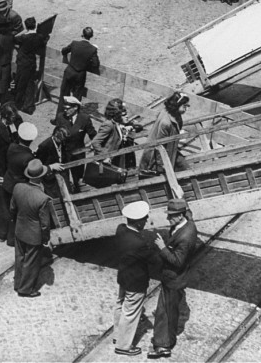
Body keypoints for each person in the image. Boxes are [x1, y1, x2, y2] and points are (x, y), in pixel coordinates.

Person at [147, 199, 199, 359]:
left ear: (181, 215)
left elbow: (177, 261)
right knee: (171, 309)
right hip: (177, 278)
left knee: (165, 313)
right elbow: (189, 212)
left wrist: (162, 247)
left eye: (172, 216)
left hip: (174, 279)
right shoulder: (187, 223)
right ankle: (169, 336)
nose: (168, 219)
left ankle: (163, 346)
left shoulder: (185, 236)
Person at [113, 201, 156, 357]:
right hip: (136, 282)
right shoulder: (139, 243)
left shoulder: (121, 230)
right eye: (144, 219)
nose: (146, 220)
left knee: (120, 304)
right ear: (138, 222)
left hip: (123, 276)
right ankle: (123, 346)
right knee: (131, 312)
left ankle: (117, 336)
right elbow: (154, 260)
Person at [10, 159, 52, 298]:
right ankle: (26, 289)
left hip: (20, 229)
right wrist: (45, 239)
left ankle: (18, 283)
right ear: (41, 176)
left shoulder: (18, 187)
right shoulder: (42, 198)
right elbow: (45, 224)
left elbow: (12, 209)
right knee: (31, 262)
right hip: (34, 235)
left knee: (20, 257)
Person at [139, 92, 189, 178]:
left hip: (170, 149)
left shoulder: (173, 114)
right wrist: (162, 167)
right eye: (184, 106)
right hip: (156, 156)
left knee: (185, 168)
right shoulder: (165, 122)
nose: (186, 109)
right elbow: (159, 146)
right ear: (177, 105)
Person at [54, 95, 97, 193]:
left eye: (68, 109)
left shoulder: (84, 119)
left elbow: (93, 135)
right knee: (64, 179)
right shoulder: (61, 117)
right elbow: (56, 134)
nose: (65, 111)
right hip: (64, 154)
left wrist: (93, 145)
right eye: (64, 108)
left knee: (78, 179)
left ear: (75, 108)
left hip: (78, 155)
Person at [58, 27, 99, 113]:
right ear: (91, 36)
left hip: (69, 71)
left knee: (64, 94)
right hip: (80, 75)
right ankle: (73, 118)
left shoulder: (74, 43)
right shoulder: (92, 49)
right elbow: (95, 64)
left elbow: (64, 51)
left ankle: (59, 117)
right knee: (76, 98)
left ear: (82, 35)